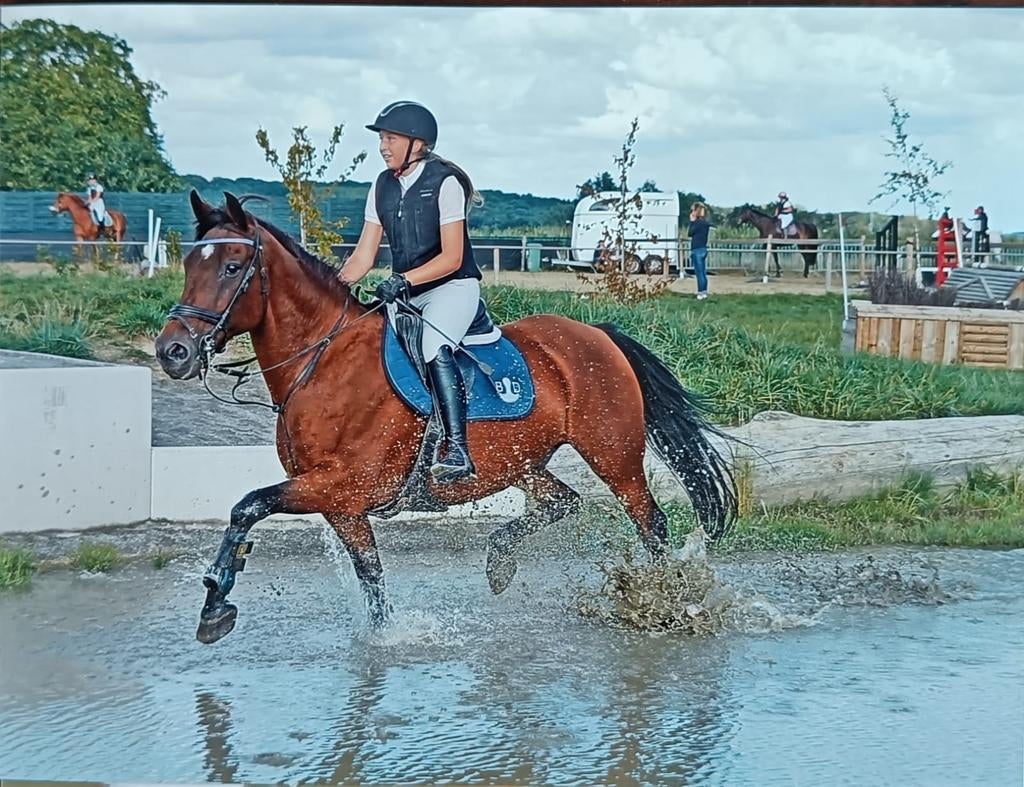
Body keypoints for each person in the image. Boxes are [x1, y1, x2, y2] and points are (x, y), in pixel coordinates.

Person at [338, 101, 483, 484]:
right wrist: (331, 289)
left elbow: (452, 257)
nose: (383, 146)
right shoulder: (382, 185)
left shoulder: (445, 182)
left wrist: (403, 281)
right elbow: (363, 256)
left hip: (451, 288)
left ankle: (457, 449)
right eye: (382, 138)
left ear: (417, 143)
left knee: (433, 345)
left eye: (390, 138)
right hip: (406, 294)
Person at [687, 202, 712, 300]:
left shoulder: (697, 223)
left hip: (696, 249)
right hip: (703, 248)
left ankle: (701, 293)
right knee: (703, 272)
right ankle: (704, 291)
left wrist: (692, 221)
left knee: (699, 273)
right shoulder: (705, 223)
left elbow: (690, 233)